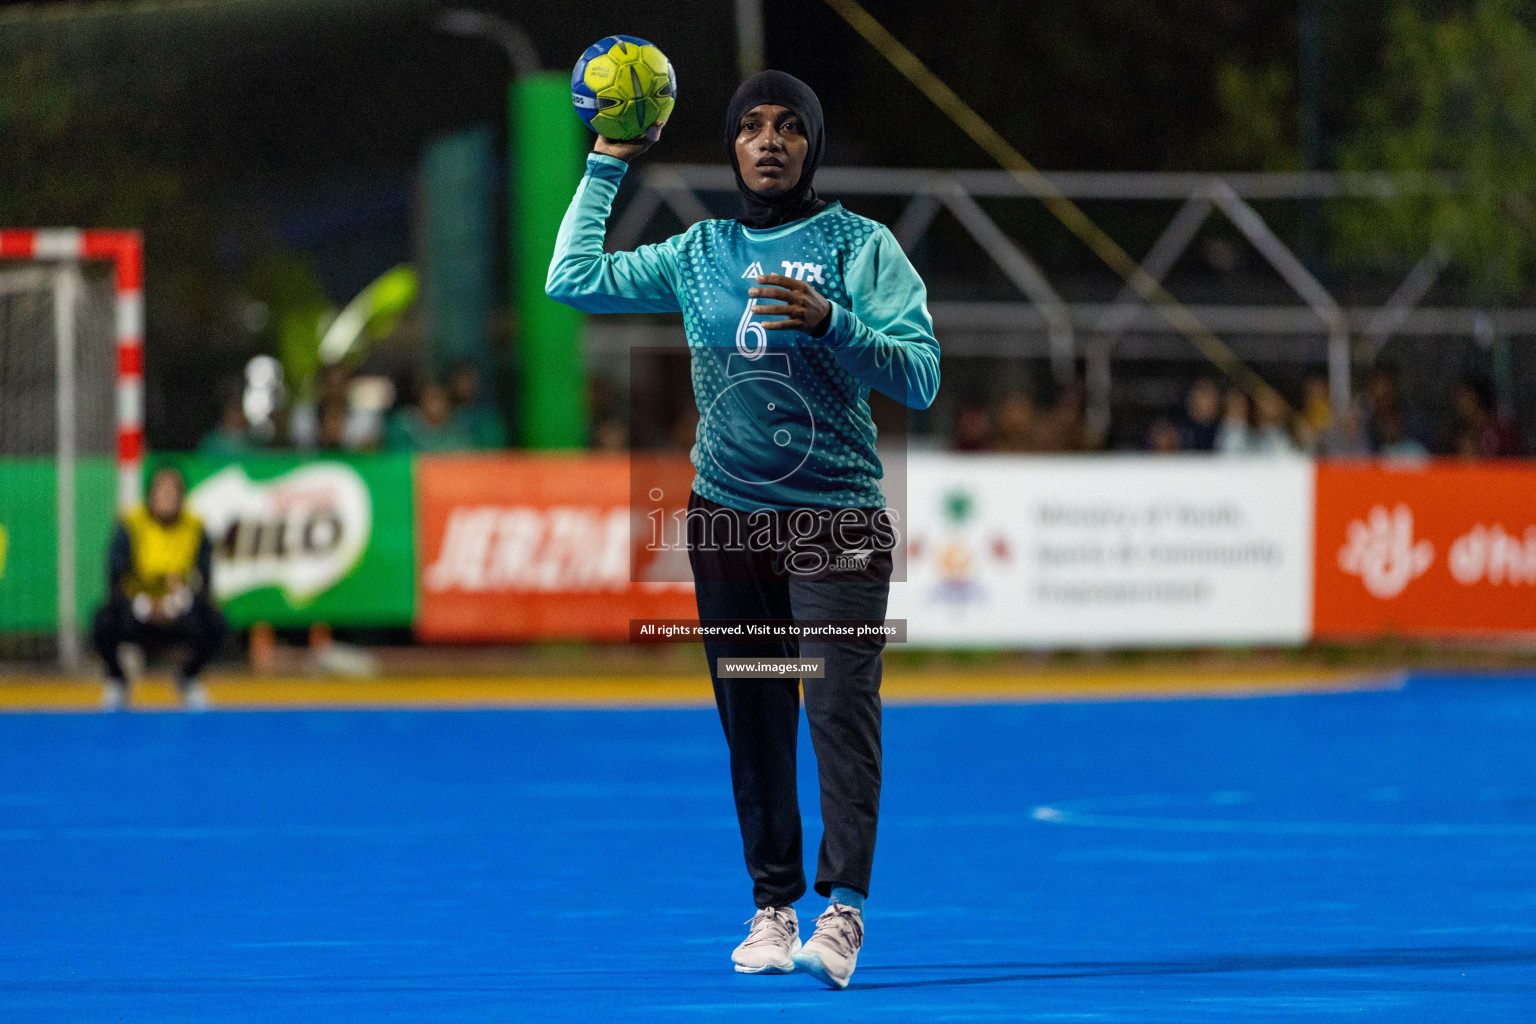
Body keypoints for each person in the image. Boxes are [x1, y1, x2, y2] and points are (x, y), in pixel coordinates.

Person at [546, 70, 939, 990]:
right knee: (755, 717)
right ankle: (773, 908)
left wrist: (836, 321)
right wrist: (607, 162)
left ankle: (843, 912)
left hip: (835, 522)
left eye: (789, 128)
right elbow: (572, 278)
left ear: (813, 147)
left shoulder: (859, 244)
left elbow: (919, 374)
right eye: (752, 127)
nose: (769, 141)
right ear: (730, 146)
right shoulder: (699, 253)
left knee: (838, 708)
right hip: (728, 524)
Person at [92, 466, 226, 711]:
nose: (167, 497)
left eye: (173, 491)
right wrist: (142, 605)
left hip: (178, 613)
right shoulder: (131, 524)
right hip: (138, 613)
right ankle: (118, 682)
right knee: (102, 620)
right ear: (150, 494)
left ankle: (188, 678)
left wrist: (179, 602)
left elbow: (205, 582)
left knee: (216, 623)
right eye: (161, 490)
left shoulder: (195, 526)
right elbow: (114, 578)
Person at [445, 361, 508, 449]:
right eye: (461, 381)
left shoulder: (488, 419)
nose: (464, 386)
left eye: (468, 380)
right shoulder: (446, 417)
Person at [1178, 377, 1221, 451]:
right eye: (1203, 394)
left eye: (1211, 395)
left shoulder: (1226, 430)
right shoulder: (1180, 433)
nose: (1208, 400)